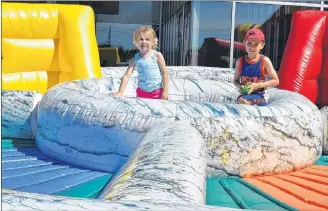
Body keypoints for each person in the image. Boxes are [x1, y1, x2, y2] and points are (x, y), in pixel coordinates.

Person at [111, 26, 168, 100]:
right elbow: (127, 76)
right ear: (136, 42)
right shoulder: (135, 59)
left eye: (147, 39)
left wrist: (165, 91)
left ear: (153, 42)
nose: (144, 42)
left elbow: (164, 73)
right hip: (141, 93)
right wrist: (120, 92)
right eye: (141, 39)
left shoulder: (157, 55)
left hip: (157, 92)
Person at [234, 28, 279, 106]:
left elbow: (276, 81)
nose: (252, 47)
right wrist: (240, 86)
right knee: (241, 100)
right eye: (249, 43)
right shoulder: (240, 61)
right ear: (245, 43)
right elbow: (236, 80)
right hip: (245, 95)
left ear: (262, 45)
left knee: (242, 101)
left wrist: (257, 85)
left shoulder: (264, 61)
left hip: (260, 95)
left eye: (256, 44)